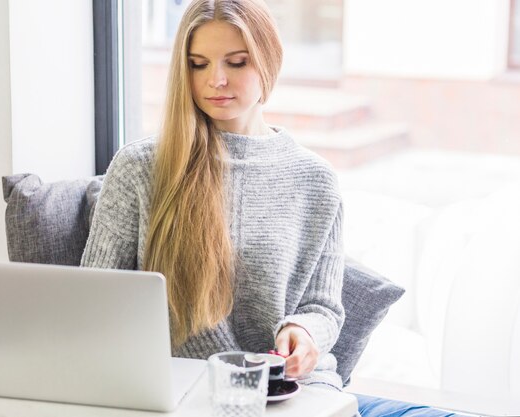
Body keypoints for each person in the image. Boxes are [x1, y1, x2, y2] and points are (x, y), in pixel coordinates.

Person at [81, 1, 468, 416]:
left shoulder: (314, 178)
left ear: (269, 62)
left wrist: (303, 332)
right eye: (198, 64)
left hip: (291, 391)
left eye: (237, 62)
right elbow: (94, 297)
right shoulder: (142, 168)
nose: (216, 79)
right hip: (179, 390)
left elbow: (323, 307)